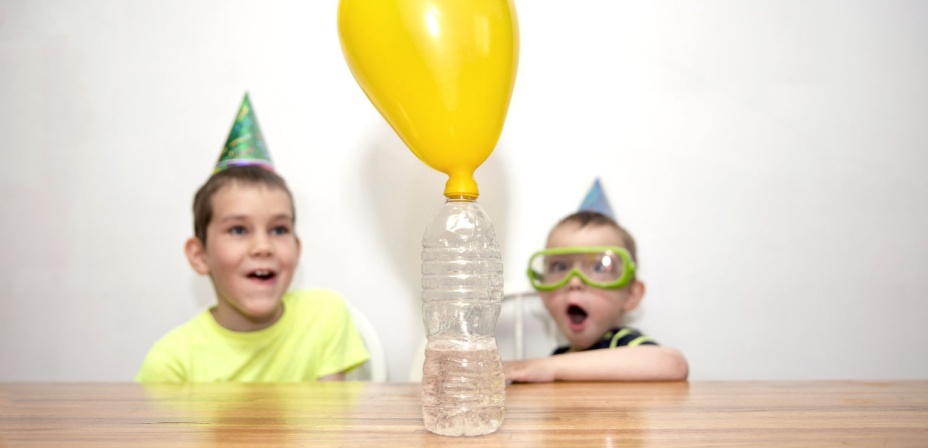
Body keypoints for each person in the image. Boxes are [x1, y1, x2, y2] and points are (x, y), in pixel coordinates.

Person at [136, 93, 369, 382]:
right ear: (199, 255)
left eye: (279, 229)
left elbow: (330, 424)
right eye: (238, 230)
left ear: (297, 250)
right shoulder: (171, 363)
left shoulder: (325, 316)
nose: (263, 247)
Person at [503, 179, 688, 382]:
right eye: (560, 267)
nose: (574, 282)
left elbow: (672, 363)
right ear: (543, 292)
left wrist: (550, 367)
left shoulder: (622, 343)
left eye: (600, 267)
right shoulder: (558, 358)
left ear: (631, 295)